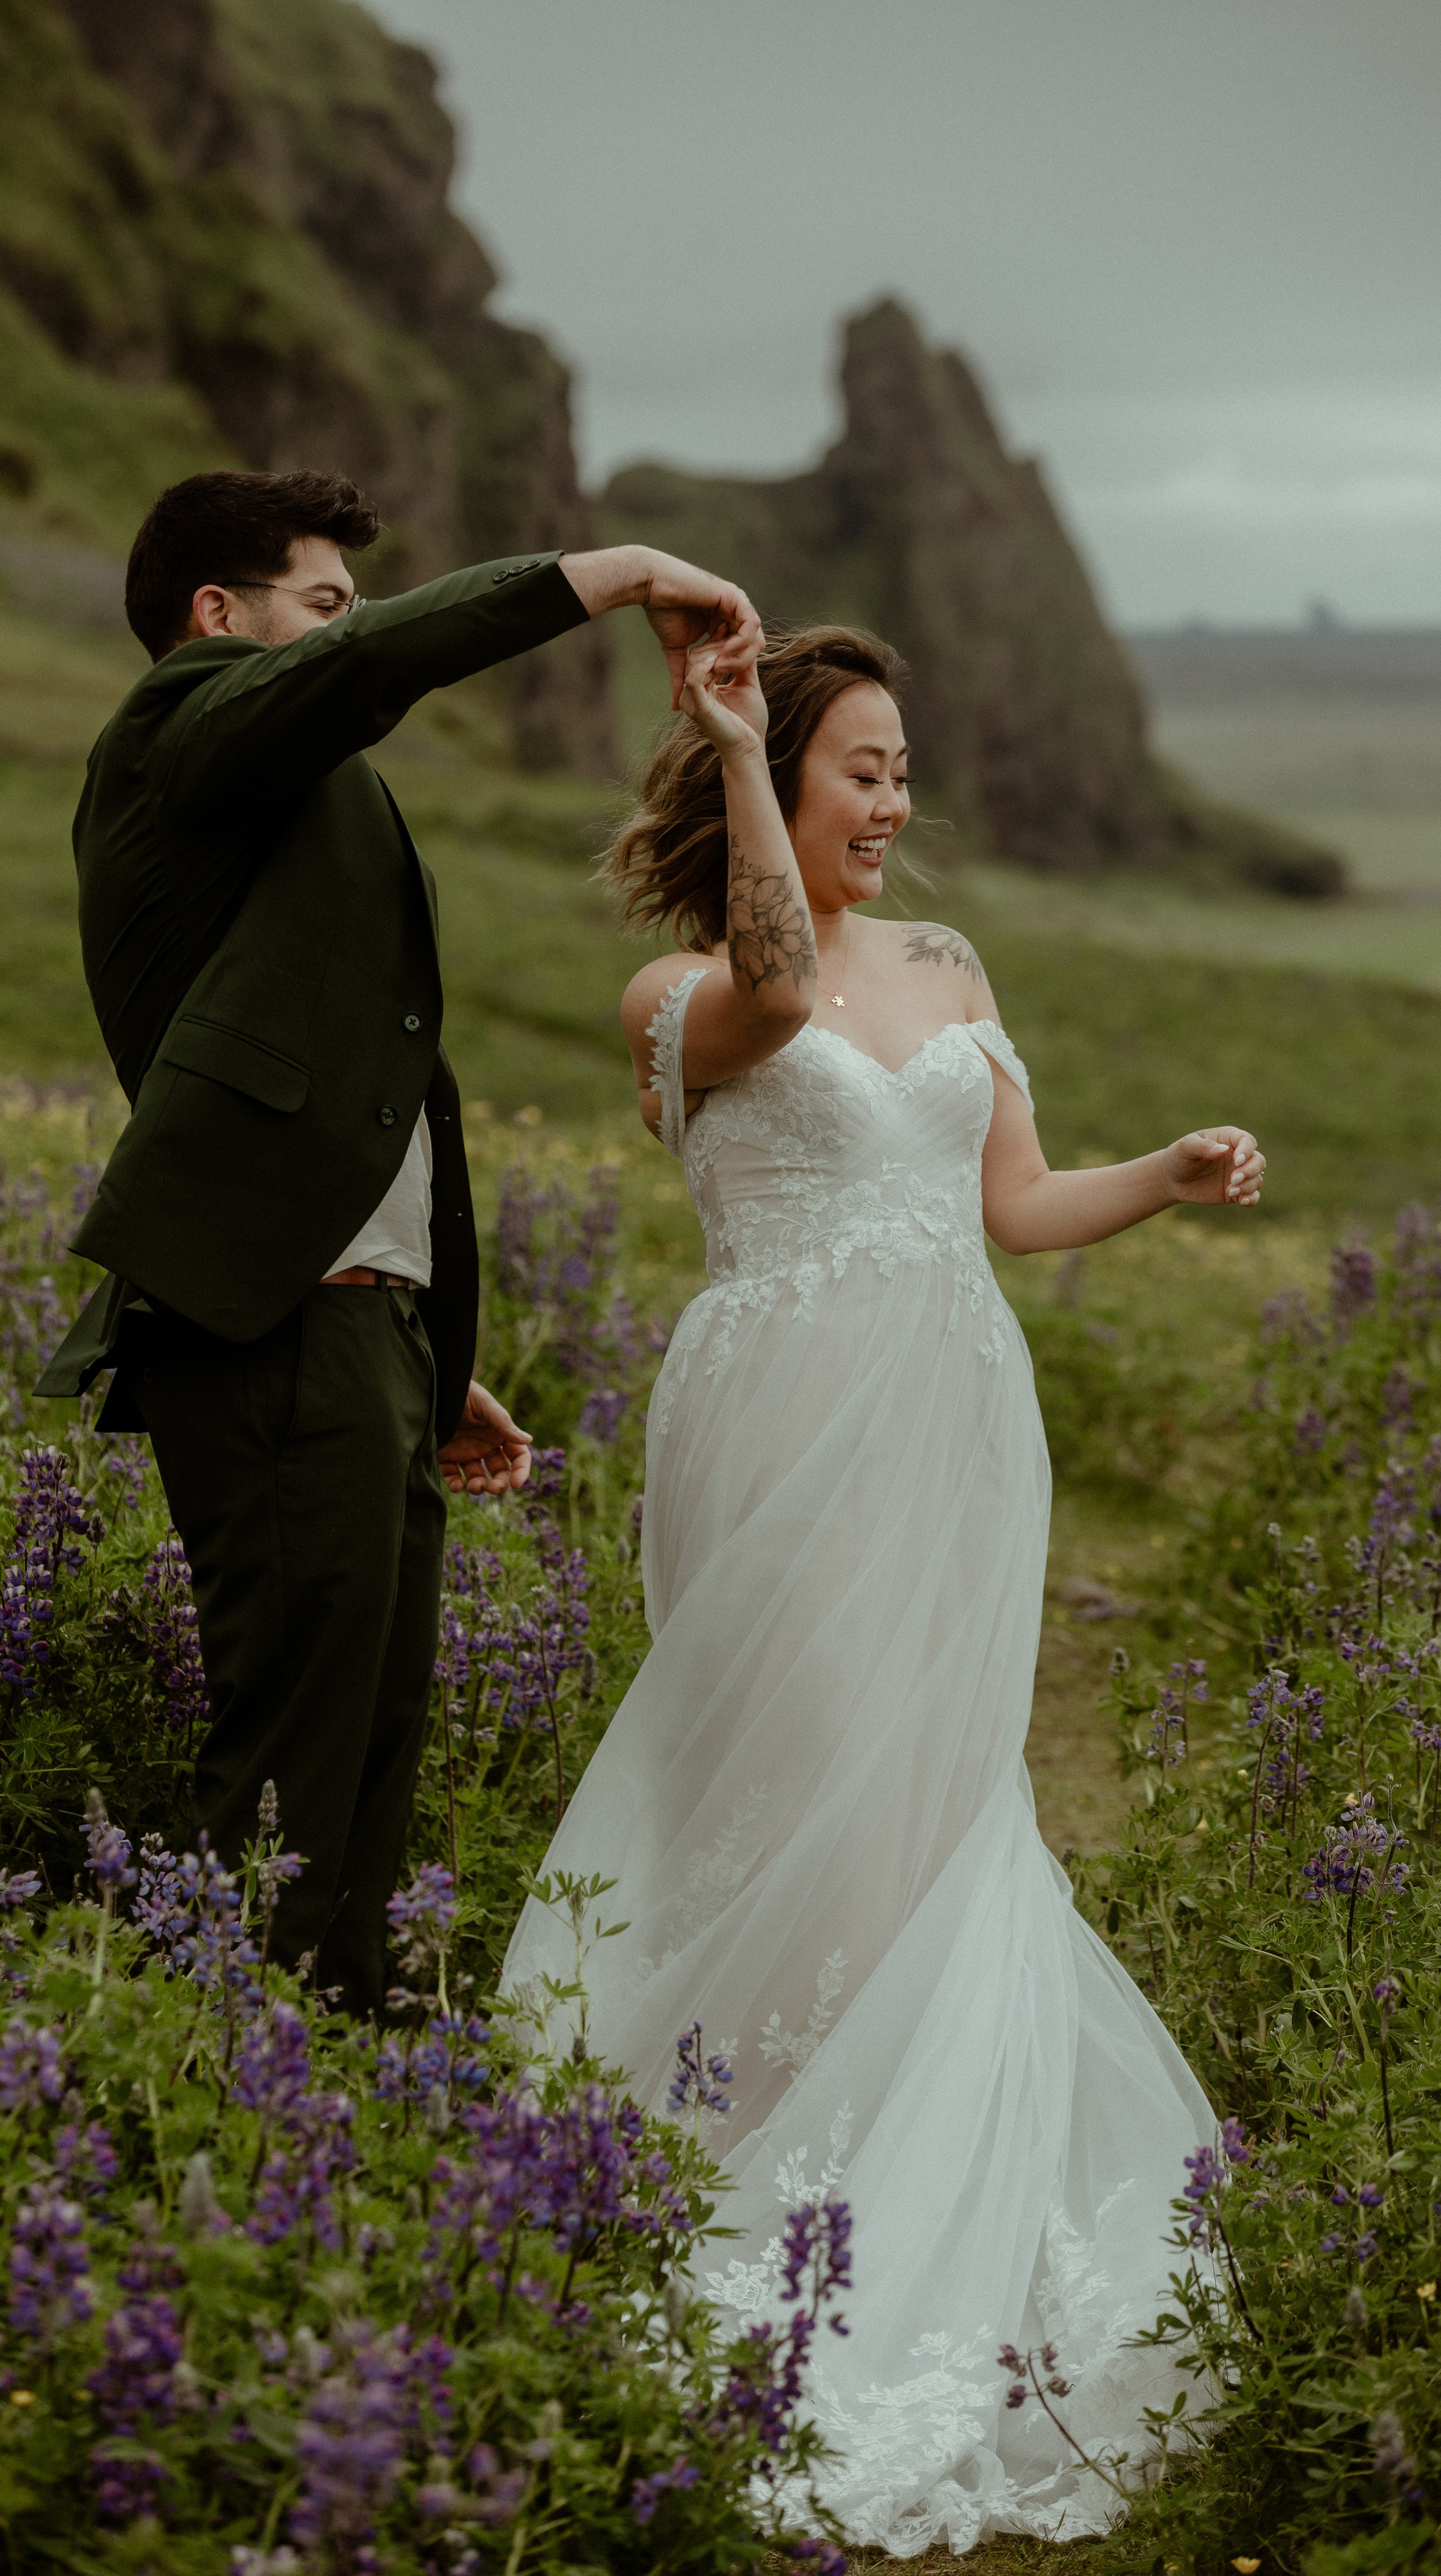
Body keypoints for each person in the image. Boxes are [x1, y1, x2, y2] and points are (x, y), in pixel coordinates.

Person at [499, 623, 1265, 2550]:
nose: (894, 802)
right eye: (862, 768)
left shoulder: (946, 963)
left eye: (903, 770)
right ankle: (757, 2144)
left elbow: (1009, 1206)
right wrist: (736, 745)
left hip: (957, 1417)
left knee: (936, 1784)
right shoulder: (681, 992)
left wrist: (1162, 1175)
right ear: (768, 779)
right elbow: (776, 983)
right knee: (795, 1769)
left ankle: (931, 2155)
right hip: (783, 1417)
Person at [36, 467, 761, 2015]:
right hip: (272, 1323)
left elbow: (348, 1072)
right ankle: (219, 2062)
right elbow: (370, 668)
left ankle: (334, 2056)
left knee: (369, 1736)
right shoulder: (176, 729)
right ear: (215, 617)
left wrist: (420, 1334)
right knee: (293, 1748)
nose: (341, 632)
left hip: (351, 1316)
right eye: (317, 604)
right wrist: (613, 572)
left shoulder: (270, 795)